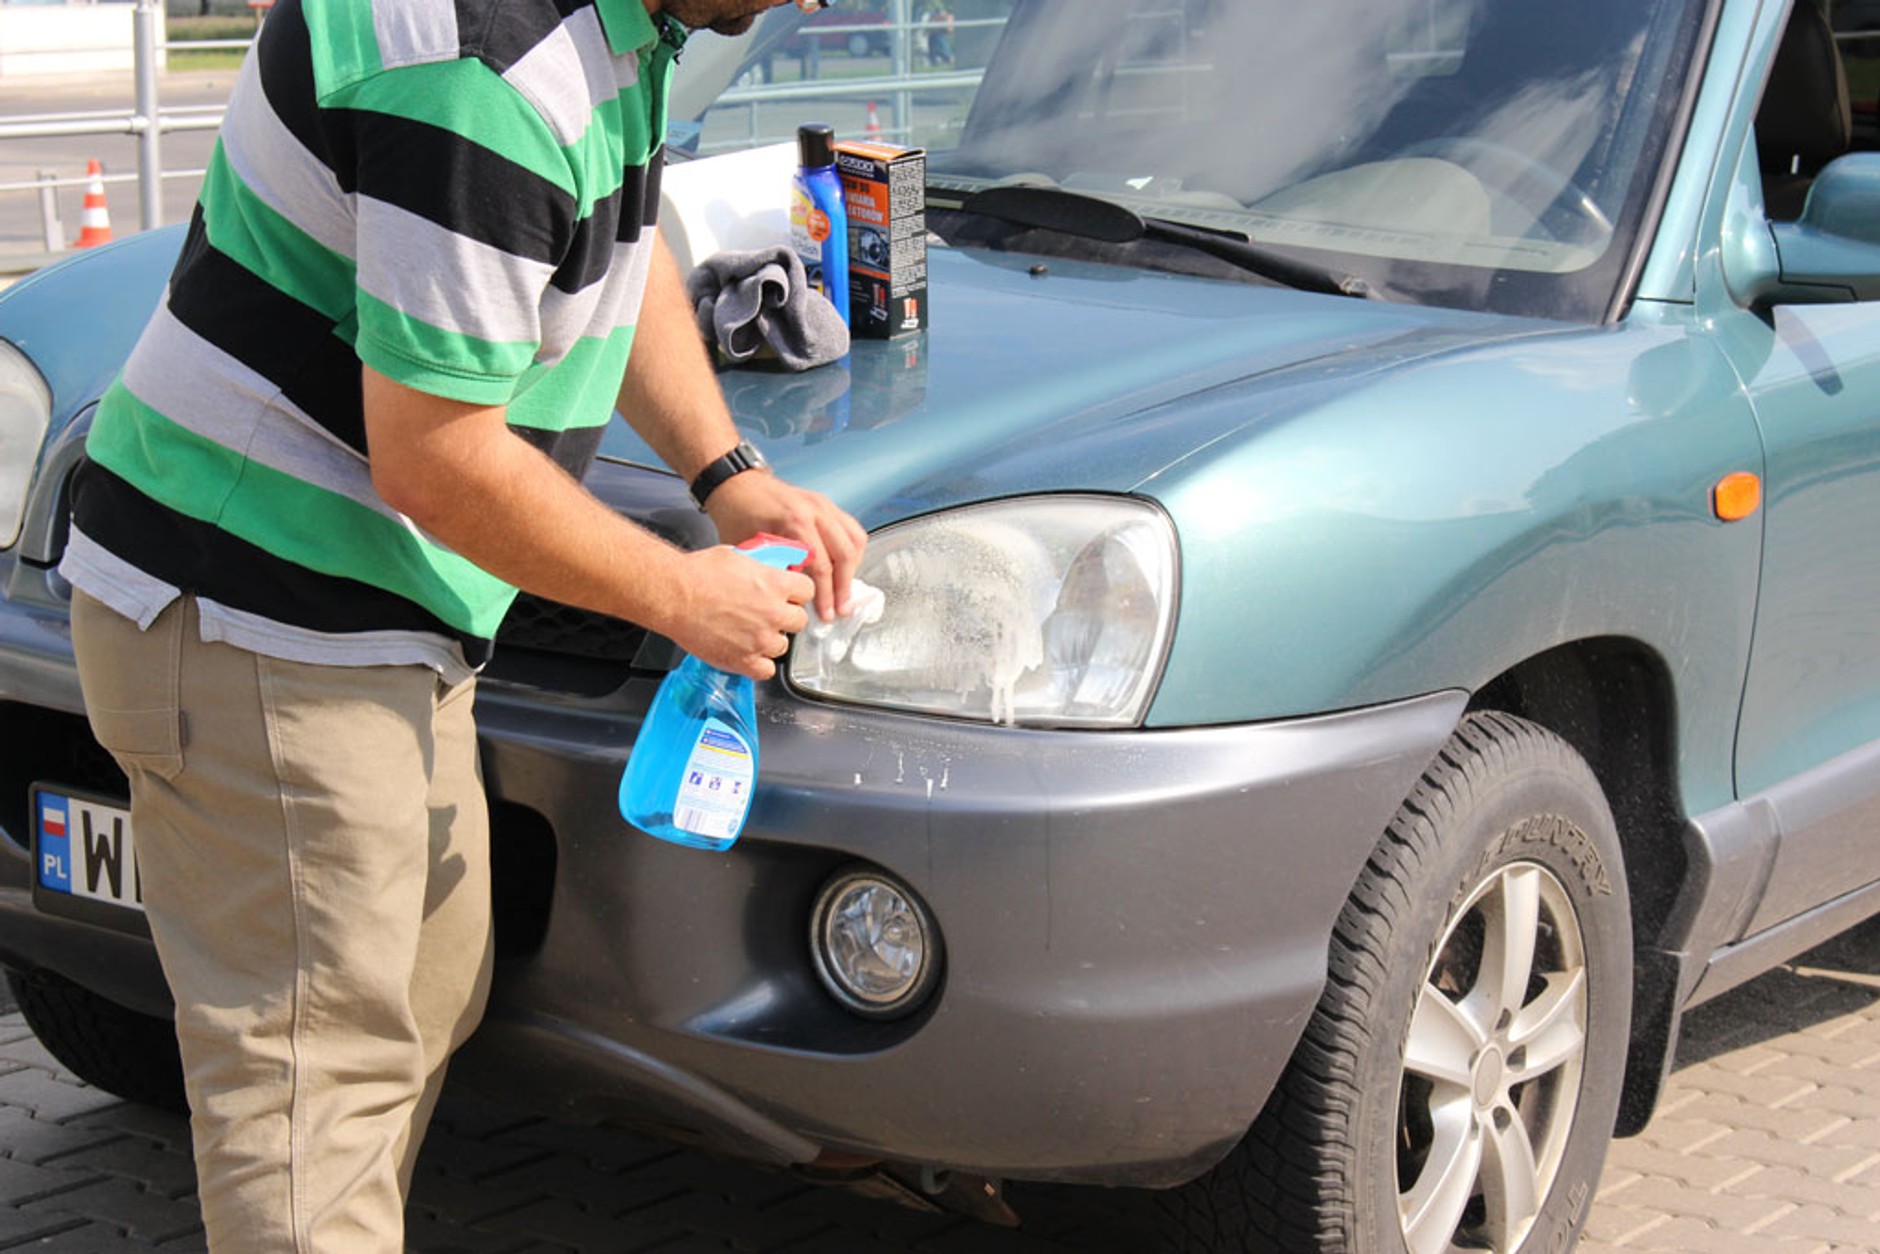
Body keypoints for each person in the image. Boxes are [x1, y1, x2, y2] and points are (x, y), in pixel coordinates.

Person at [57, 0, 863, 1250]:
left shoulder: (610, 30)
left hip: (373, 617)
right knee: (311, 1084)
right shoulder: (479, 77)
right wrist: (680, 595)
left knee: (422, 996)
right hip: (259, 620)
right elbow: (433, 462)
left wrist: (724, 472)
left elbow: (621, 234)